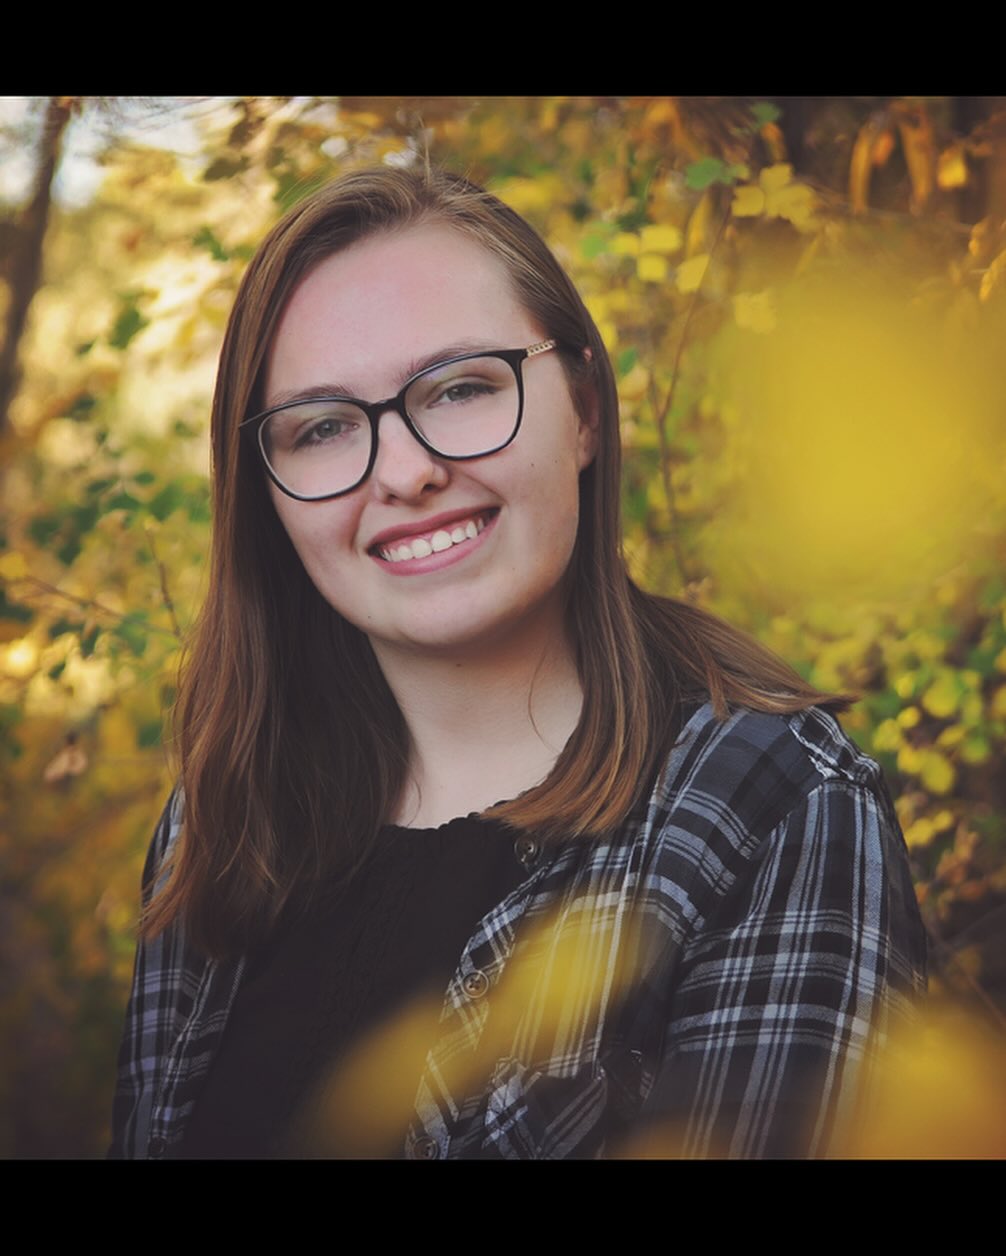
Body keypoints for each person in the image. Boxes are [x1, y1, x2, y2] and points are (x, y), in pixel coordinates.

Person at [110, 165, 926, 1160]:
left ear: (582, 408)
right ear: (266, 492)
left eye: (458, 387)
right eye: (322, 427)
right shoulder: (227, 815)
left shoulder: (772, 803)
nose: (406, 470)